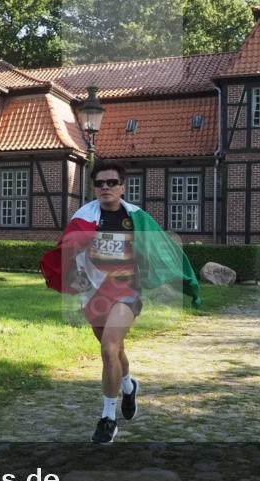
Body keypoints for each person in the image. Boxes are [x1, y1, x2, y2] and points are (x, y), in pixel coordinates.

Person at [40, 162, 201, 444]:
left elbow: (161, 247)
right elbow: (68, 253)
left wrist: (183, 276)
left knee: (108, 348)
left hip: (127, 291)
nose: (106, 187)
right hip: (94, 294)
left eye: (112, 182)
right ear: (94, 188)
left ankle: (108, 418)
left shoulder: (136, 218)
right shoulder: (83, 218)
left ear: (122, 187)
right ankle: (128, 385)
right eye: (100, 183)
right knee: (115, 350)